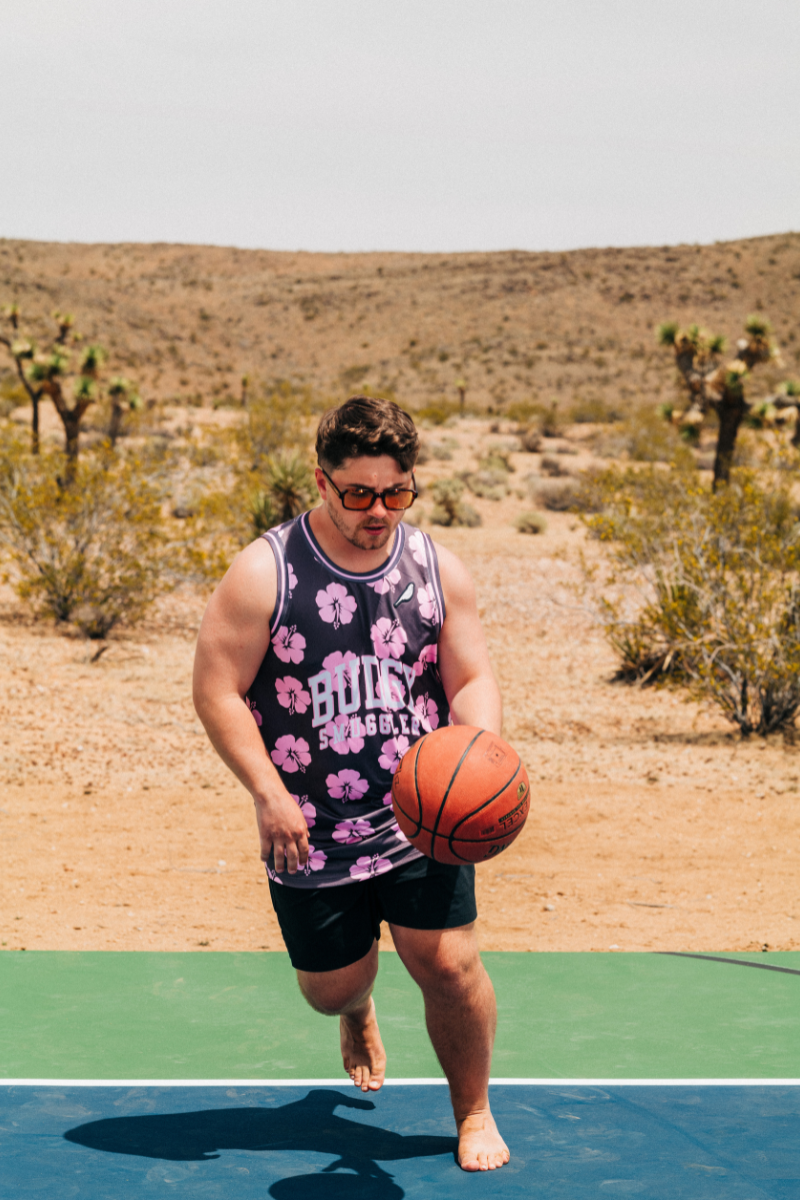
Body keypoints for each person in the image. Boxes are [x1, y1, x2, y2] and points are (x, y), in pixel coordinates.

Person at [193, 395, 509, 1172]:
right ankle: (356, 1010)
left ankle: (473, 1111)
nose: (378, 510)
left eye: (395, 492)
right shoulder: (266, 570)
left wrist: (481, 752)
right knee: (331, 987)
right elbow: (216, 689)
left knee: (447, 963)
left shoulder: (437, 568)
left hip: (418, 815)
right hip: (306, 822)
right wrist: (268, 793)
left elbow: (470, 676)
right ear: (321, 480)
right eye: (358, 493)